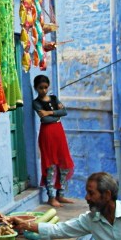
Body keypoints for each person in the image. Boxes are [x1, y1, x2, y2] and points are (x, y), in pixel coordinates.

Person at [32, 74, 75, 206]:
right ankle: (51, 197)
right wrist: (56, 115)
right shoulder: (36, 103)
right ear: (36, 88)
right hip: (47, 134)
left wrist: (50, 113)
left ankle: (60, 194)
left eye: (45, 87)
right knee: (49, 165)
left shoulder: (54, 98)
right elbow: (44, 120)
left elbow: (65, 112)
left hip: (59, 133)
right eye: (40, 88)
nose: (43, 90)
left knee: (64, 163)